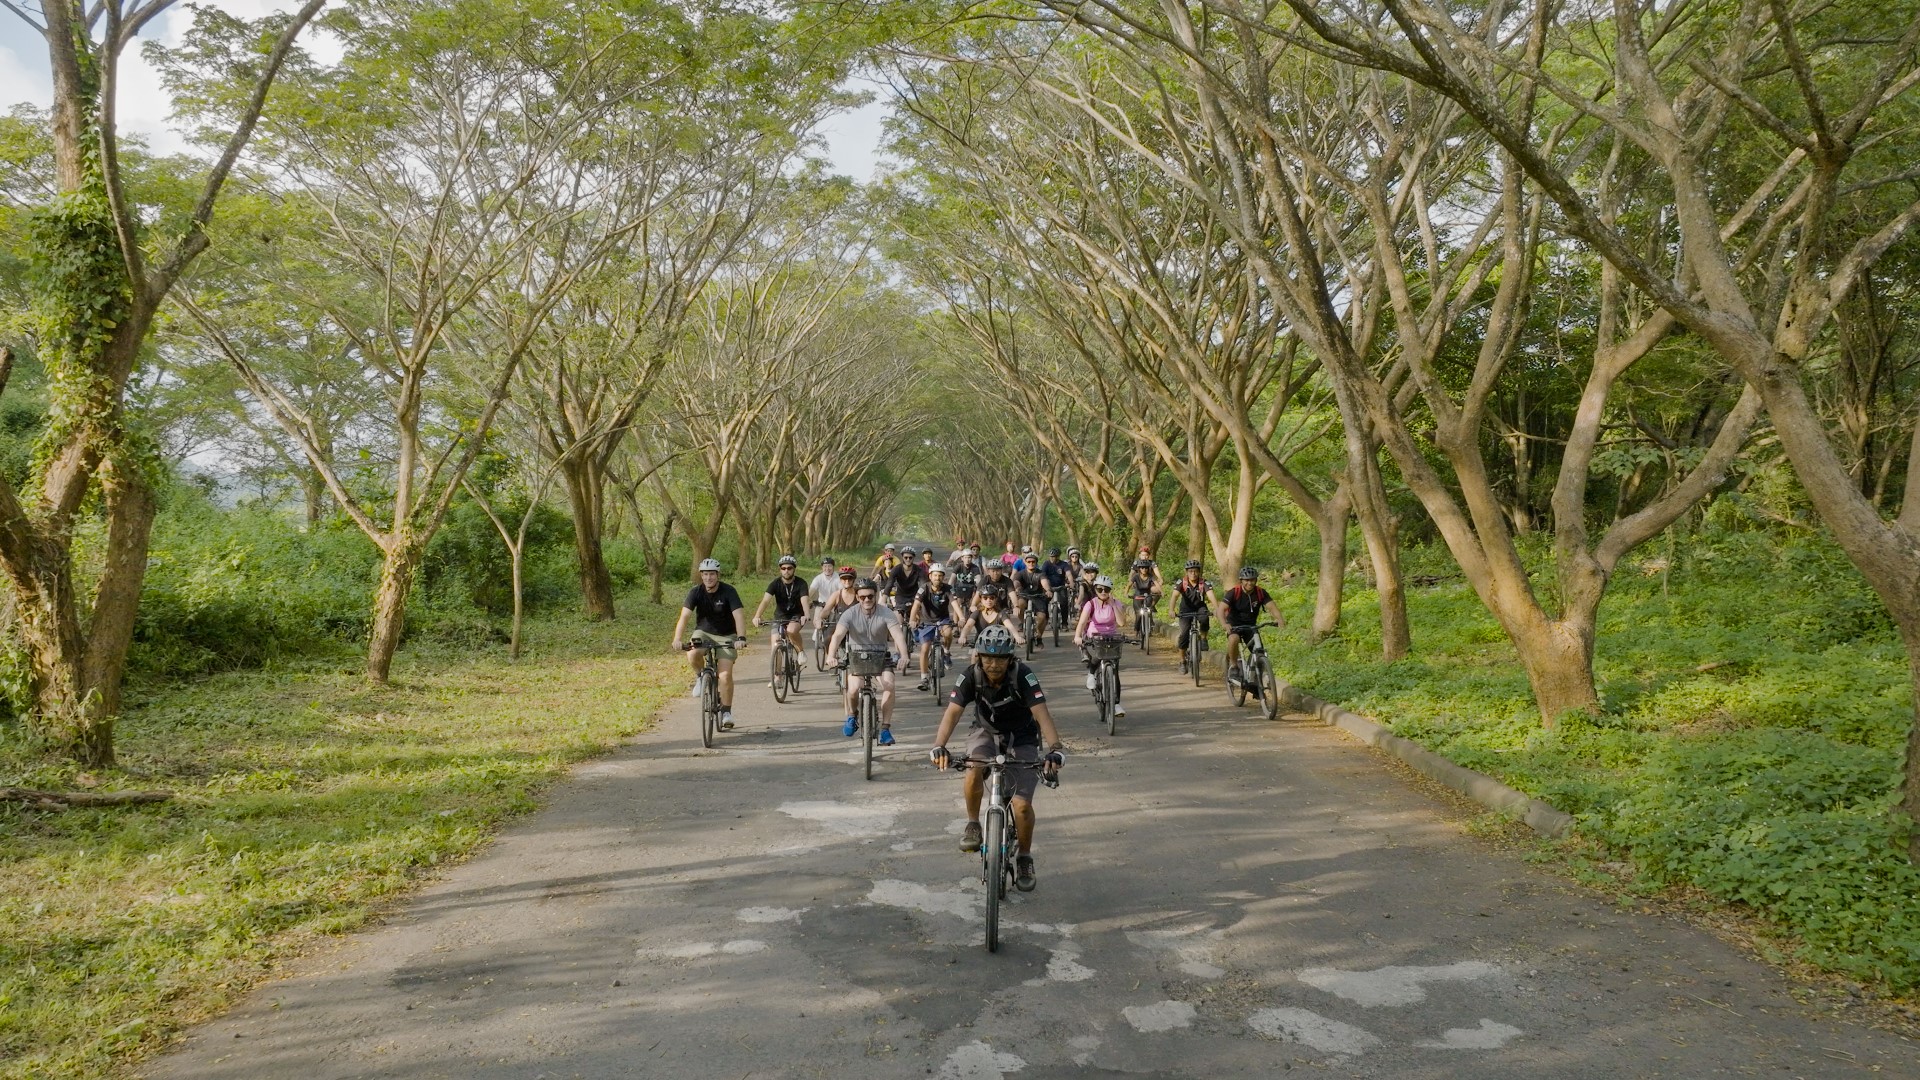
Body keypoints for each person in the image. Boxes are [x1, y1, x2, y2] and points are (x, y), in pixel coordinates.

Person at [928, 624, 1065, 892]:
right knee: (972, 768)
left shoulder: (1024, 676)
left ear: (1010, 659)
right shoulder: (970, 676)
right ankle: (972, 823)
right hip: (985, 732)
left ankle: (1024, 856)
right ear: (978, 657)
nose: (993, 664)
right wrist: (939, 745)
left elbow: (1041, 713)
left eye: (1000, 658)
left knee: (1022, 805)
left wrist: (1055, 748)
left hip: (1022, 737)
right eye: (987, 658)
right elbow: (953, 712)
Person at [826, 578, 912, 745]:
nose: (867, 600)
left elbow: (897, 635)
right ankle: (852, 716)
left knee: (889, 685)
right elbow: (837, 636)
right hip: (856, 656)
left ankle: (885, 728)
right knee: (853, 689)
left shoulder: (886, 612)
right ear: (857, 597)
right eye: (862, 597)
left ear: (876, 595)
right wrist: (831, 655)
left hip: (880, 655)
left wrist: (904, 655)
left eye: (870, 597)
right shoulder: (849, 614)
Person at [671, 558, 748, 730]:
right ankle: (700, 677)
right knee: (692, 653)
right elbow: (684, 617)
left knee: (725, 676)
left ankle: (726, 712)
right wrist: (677, 638)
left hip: (726, 635)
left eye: (711, 574)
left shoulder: (729, 591)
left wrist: (741, 637)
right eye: (705, 574)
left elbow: (739, 616)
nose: (708, 578)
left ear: (718, 575)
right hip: (703, 633)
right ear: (701, 576)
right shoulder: (695, 592)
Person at [1071, 574, 1128, 718]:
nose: (1103, 592)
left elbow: (1121, 623)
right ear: (1095, 589)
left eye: (1106, 589)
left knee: (1115, 670)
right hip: (1095, 635)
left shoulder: (1116, 602)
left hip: (1112, 637)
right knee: (1097, 655)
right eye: (1100, 589)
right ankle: (1091, 674)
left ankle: (1116, 704)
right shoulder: (1091, 604)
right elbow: (1083, 622)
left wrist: (1114, 604)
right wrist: (1077, 636)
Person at [750, 554, 809, 686]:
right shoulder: (775, 584)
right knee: (776, 645)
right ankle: (777, 677)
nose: (786, 571)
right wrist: (757, 616)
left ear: (794, 569)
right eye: (783, 568)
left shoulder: (801, 583)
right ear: (780, 569)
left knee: (791, 630)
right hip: (779, 617)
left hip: (796, 615)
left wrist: (806, 614)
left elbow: (804, 600)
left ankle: (800, 651)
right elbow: (765, 601)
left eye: (789, 568)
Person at [1219, 565, 1285, 677]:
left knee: (1259, 653)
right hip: (1234, 625)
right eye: (1247, 580)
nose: (1250, 583)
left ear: (1256, 580)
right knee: (1234, 638)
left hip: (1251, 626)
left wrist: (1280, 620)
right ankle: (1234, 665)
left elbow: (1272, 607)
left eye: (1252, 580)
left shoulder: (1260, 593)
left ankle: (1256, 685)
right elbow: (1221, 609)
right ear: (1241, 581)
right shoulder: (1234, 592)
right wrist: (1224, 624)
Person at [909, 563, 965, 690]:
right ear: (930, 576)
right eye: (935, 575)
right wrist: (912, 619)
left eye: (940, 575)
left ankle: (946, 652)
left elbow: (955, 604)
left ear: (943, 577)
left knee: (948, 633)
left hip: (943, 619)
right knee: (925, 649)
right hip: (926, 621)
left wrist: (961, 617)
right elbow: (916, 605)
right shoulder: (924, 588)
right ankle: (924, 678)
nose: (937, 578)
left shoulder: (948, 589)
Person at [1168, 560, 1219, 674]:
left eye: (1195, 571)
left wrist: (1217, 609)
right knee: (1184, 634)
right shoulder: (1182, 582)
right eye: (1191, 571)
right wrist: (1171, 610)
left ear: (1199, 572)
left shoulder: (1204, 583)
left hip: (1200, 608)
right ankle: (1182, 661)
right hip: (1185, 609)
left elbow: (1211, 595)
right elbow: (1174, 596)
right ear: (1187, 572)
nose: (1193, 574)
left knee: (1205, 618)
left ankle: (1204, 638)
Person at [960, 583, 1025, 650]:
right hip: (980, 645)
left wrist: (1017, 637)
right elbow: (968, 626)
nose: (988, 601)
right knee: (974, 657)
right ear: (981, 600)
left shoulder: (1001, 614)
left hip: (999, 645)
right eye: (985, 598)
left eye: (992, 598)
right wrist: (963, 636)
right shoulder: (977, 613)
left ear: (996, 599)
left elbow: (1010, 626)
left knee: (1010, 658)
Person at [1011, 552, 1054, 643]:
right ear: (1025, 562)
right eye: (1029, 561)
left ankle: (1039, 636)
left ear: (1036, 562)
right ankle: (1024, 623)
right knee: (1020, 604)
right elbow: (1016, 582)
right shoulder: (1020, 573)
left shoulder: (1041, 573)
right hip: (1024, 595)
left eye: (1033, 562)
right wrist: (1017, 588)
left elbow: (1044, 582)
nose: (1031, 563)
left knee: (1042, 617)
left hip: (1038, 597)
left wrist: (1047, 590)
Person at [808, 556, 840, 635]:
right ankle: (818, 636)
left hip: (835, 605)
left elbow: (842, 590)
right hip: (821, 604)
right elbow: (811, 591)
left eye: (830, 566)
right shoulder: (818, 578)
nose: (827, 568)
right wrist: (808, 600)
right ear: (822, 567)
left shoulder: (838, 578)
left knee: (837, 623)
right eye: (825, 566)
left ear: (833, 567)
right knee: (818, 621)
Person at [951, 548, 982, 617]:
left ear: (971, 558)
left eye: (969, 557)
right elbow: (951, 580)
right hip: (959, 588)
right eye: (965, 557)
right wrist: (951, 591)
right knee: (957, 606)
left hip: (971, 589)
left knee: (973, 605)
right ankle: (955, 623)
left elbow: (979, 579)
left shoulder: (975, 567)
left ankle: (971, 620)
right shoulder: (958, 566)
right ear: (962, 558)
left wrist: (979, 588)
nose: (967, 559)